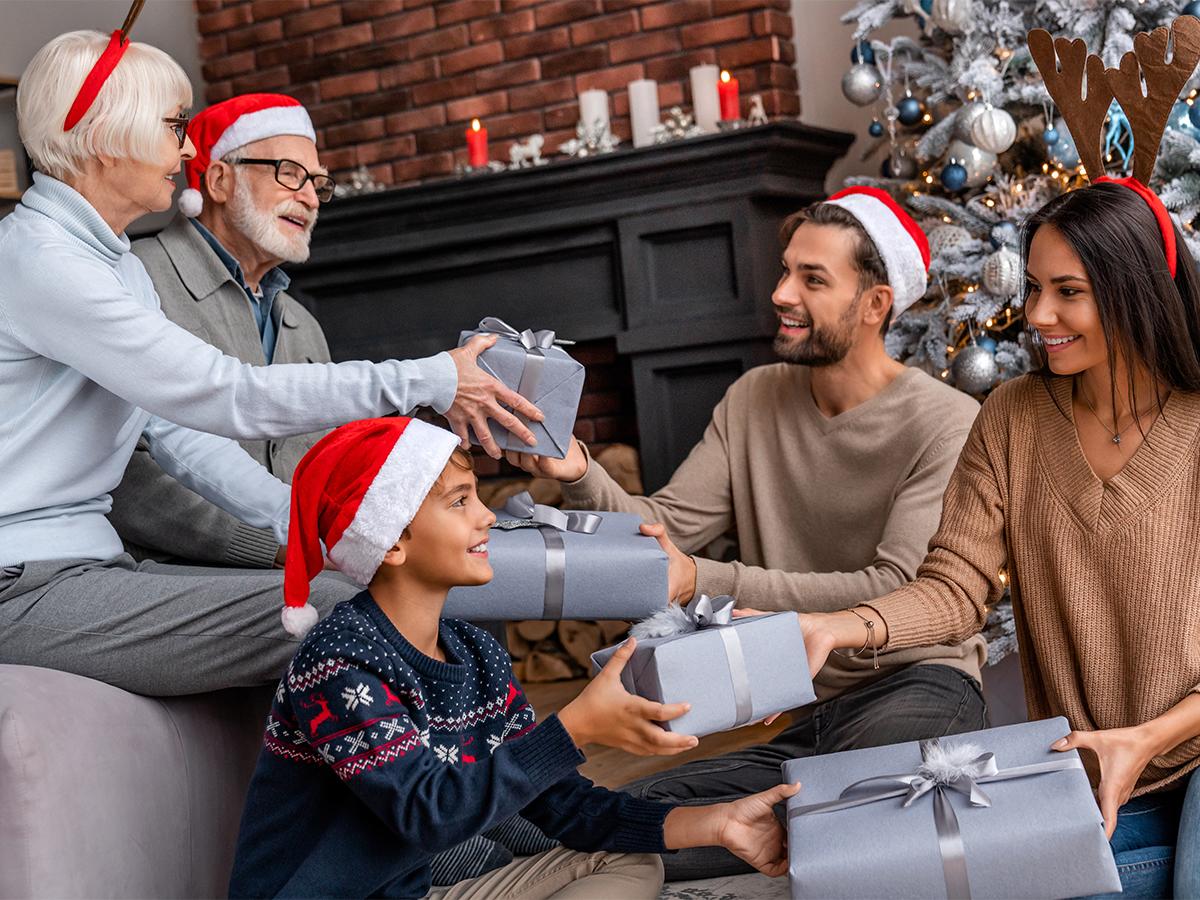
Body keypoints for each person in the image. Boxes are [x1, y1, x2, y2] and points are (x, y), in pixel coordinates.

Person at [0, 29, 540, 696]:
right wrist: (430, 377)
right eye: (173, 125)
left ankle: (495, 792)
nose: (189, 148)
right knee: (353, 612)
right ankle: (497, 797)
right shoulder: (39, 262)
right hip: (21, 586)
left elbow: (182, 438)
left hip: (81, 570)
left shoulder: (108, 265)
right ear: (104, 132)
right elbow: (226, 394)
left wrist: (314, 527)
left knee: (380, 587)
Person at [510, 188, 987, 879]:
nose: (781, 293)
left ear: (876, 304)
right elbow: (664, 531)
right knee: (630, 819)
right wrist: (575, 467)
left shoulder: (946, 421)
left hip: (917, 684)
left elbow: (897, 588)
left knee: (855, 820)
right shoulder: (755, 398)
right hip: (801, 709)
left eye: (812, 279)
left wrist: (704, 578)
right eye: (786, 271)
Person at [794, 179, 1200, 898]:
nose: (1037, 314)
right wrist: (841, 626)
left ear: (1135, 291)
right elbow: (955, 588)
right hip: (1094, 767)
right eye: (1035, 286)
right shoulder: (1013, 417)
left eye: (1067, 291)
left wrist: (1150, 738)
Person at [228, 416, 801, 899]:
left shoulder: (477, 652)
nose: (487, 517)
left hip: (418, 887)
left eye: (476, 496)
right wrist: (575, 725)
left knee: (629, 864)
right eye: (459, 501)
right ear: (391, 540)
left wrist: (717, 823)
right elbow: (431, 814)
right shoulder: (339, 660)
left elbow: (565, 807)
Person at [109, 93, 340, 569]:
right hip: (176, 575)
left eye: (318, 183)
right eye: (290, 174)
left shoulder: (304, 325)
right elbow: (125, 470)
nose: (311, 198)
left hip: (304, 562)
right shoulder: (136, 279)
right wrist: (270, 551)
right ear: (218, 180)